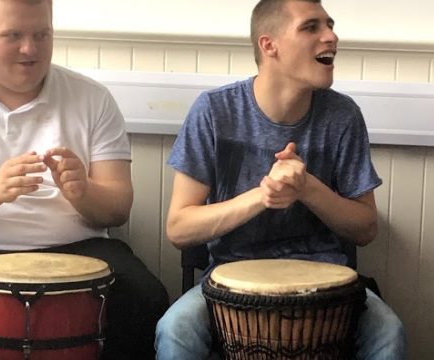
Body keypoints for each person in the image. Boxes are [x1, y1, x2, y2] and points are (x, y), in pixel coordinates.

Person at [155, 0, 406, 358]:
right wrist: (263, 195)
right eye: (311, 27)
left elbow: (365, 228)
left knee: (389, 333)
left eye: (330, 25)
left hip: (328, 283)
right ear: (268, 45)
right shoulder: (214, 111)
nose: (331, 37)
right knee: (174, 330)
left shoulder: (342, 116)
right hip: (230, 280)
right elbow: (179, 228)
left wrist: (307, 188)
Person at [0, 0, 169, 358]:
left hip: (78, 246)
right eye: (13, 35)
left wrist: (84, 191)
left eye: (41, 34)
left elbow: (117, 208)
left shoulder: (92, 98)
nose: (29, 49)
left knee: (145, 297)